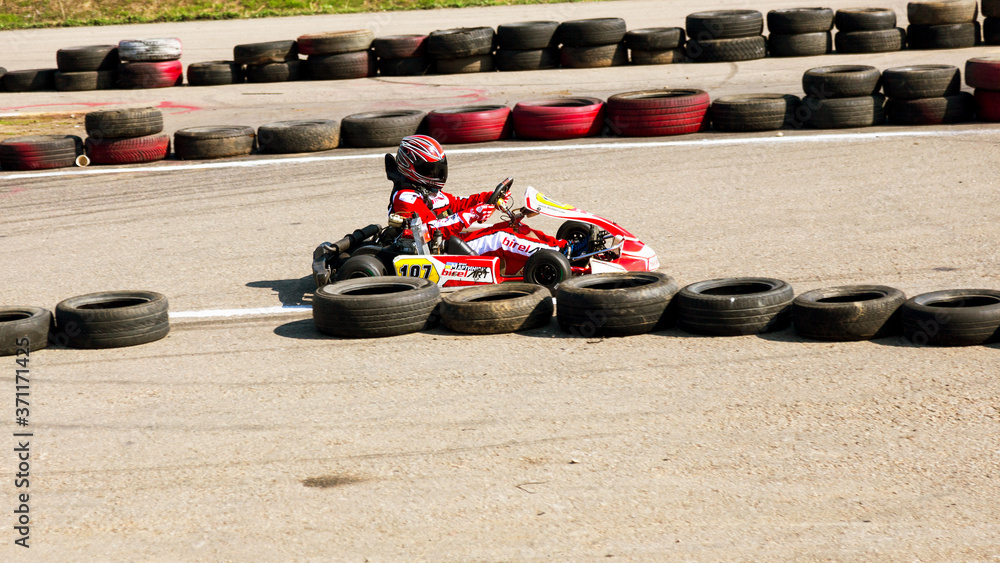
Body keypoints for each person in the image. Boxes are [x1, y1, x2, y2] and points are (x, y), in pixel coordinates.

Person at [387, 135, 587, 274]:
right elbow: (427, 231)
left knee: (511, 227)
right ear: (410, 167)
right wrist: (471, 215)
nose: (436, 174)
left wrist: (488, 197)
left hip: (450, 243)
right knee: (500, 238)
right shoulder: (406, 198)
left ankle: (564, 247)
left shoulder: (425, 191)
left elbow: (457, 204)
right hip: (436, 252)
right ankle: (562, 256)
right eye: (429, 169)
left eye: (438, 168)